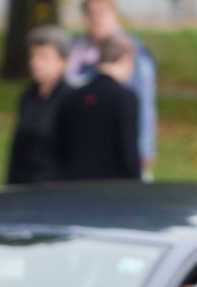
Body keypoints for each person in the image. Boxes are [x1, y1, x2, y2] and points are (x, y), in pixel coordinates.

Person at [65, 0, 158, 179]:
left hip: (120, 143)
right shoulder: (77, 51)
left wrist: (145, 150)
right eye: (91, 13)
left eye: (102, 12)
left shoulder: (132, 50)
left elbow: (145, 104)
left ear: (114, 13)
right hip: (85, 147)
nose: (96, 18)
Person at [55, 34, 142, 181]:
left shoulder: (73, 97)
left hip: (74, 184)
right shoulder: (125, 98)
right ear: (126, 60)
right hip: (111, 188)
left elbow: (60, 146)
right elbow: (128, 148)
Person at [6, 26, 72, 184]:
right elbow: (18, 148)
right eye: (33, 56)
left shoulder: (72, 101)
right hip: (23, 186)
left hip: (54, 190)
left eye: (44, 56)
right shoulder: (28, 96)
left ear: (63, 62)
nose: (35, 62)